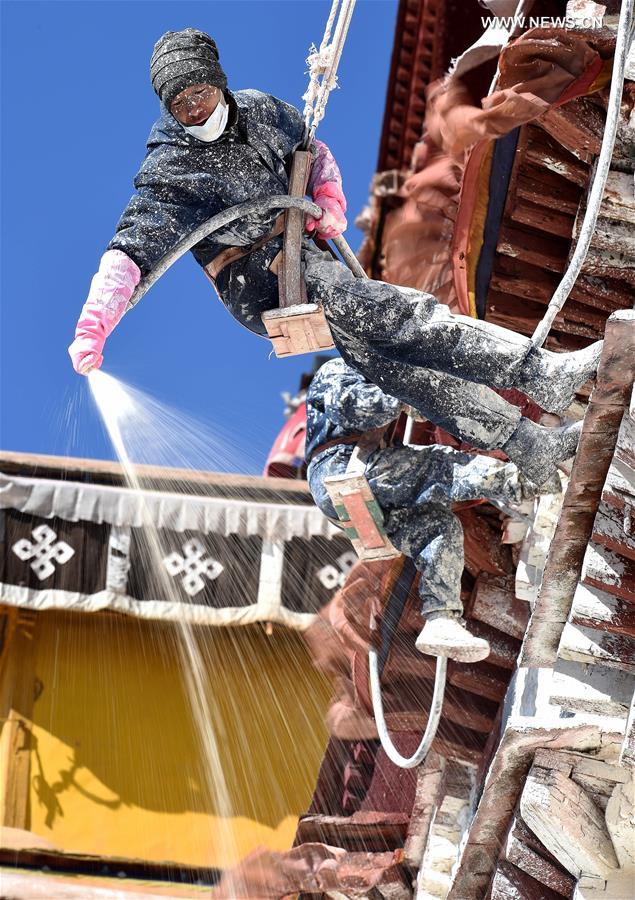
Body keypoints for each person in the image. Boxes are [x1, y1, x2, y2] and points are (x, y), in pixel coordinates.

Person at [68, 27, 601, 447]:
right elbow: (132, 249)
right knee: (391, 313)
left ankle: (523, 440)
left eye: (201, 94)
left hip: (303, 243)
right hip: (259, 280)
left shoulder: (261, 111)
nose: (194, 111)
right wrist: (95, 325)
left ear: (220, 82)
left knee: (387, 360)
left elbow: (313, 153)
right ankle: (539, 372)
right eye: (180, 105)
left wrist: (328, 201)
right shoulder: (172, 167)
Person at [305, 358, 563, 662]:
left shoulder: (377, 373)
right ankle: (529, 481)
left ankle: (441, 619)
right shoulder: (337, 369)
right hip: (338, 469)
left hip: (362, 490)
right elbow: (357, 406)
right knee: (439, 466)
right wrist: (404, 392)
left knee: (439, 528)